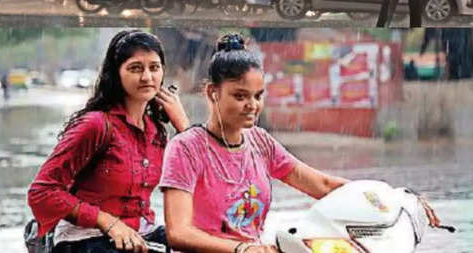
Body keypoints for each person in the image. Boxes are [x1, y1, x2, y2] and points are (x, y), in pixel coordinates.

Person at [159, 34, 441, 253]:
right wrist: (242, 248)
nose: (252, 105)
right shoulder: (186, 148)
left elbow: (323, 186)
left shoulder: (260, 142)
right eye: (240, 96)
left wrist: (398, 199)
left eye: (258, 96)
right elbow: (179, 233)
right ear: (213, 93)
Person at [28, 30, 190, 253]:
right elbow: (41, 192)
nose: (147, 77)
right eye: (135, 68)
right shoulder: (96, 125)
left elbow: (209, 185)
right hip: (86, 239)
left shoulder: (157, 132)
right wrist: (107, 221)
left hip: (141, 234)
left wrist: (184, 126)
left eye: (154, 67)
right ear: (116, 74)